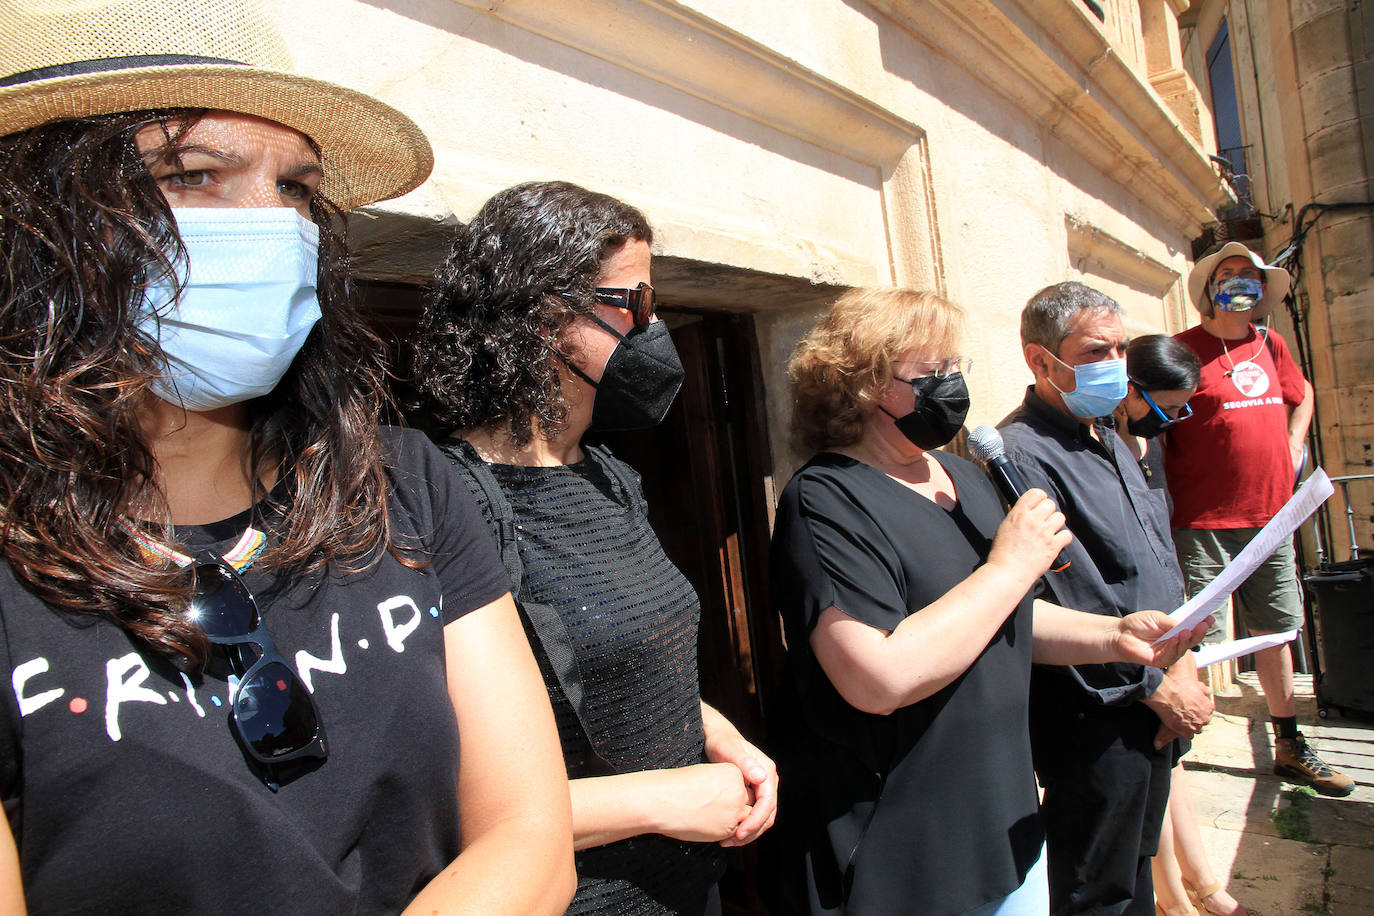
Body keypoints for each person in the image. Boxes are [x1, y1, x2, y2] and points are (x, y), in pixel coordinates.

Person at [0, 2, 575, 913]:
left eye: (299, 189)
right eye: (191, 172)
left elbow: (529, 837)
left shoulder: (404, 483)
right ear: (35, 217)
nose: (272, 225)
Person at [764, 287, 1205, 916]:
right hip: (904, 843)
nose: (952, 386)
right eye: (930, 372)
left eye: (955, 368)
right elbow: (877, 677)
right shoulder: (825, 501)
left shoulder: (962, 476)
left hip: (1003, 820)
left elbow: (1009, 615)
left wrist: (1114, 638)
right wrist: (1009, 565)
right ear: (861, 385)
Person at [415, 180, 778, 915]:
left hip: (690, 889)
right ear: (543, 313)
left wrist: (717, 733)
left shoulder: (612, 474)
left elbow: (626, 661)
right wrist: (659, 799)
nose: (656, 328)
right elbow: (435, 794)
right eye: (635, 302)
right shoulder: (439, 503)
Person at [998, 282, 1215, 915]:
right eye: (1097, 351)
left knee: (1137, 866)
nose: (1116, 365)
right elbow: (1053, 591)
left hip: (1156, 695)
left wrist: (1183, 666)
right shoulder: (1019, 455)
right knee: (1099, 887)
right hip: (1098, 712)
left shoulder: (1114, 440)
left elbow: (1151, 564)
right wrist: (1154, 688)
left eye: (1122, 349)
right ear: (1042, 362)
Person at [1165, 242, 1352, 797]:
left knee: (1276, 631)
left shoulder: (1272, 345)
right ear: (1208, 291)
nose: (1241, 282)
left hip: (1271, 517)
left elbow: (1304, 393)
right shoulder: (1183, 350)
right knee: (1199, 638)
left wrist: (1296, 442)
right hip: (1202, 519)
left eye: (1250, 275)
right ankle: (1175, 745)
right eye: (1229, 274)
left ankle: (1290, 745)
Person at [1113, 339, 1248, 916]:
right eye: (1166, 406)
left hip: (1171, 618)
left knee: (1176, 760)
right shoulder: (1096, 447)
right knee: (1153, 764)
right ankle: (1176, 897)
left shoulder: (1143, 445)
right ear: (1129, 390)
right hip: (1132, 632)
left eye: (1182, 408)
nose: (1171, 420)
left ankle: (1202, 882)